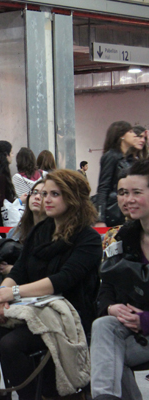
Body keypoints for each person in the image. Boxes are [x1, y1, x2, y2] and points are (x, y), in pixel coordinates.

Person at [0, 169, 102, 400]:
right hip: (31, 309)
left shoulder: (88, 237)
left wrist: (13, 293)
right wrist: (1, 295)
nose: (46, 199)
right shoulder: (41, 230)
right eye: (44, 193)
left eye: (55, 194)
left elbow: (63, 279)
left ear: (73, 198)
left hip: (68, 315)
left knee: (11, 344)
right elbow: (19, 270)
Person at [91, 159, 149, 400]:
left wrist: (145, 320)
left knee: (109, 356)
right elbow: (107, 285)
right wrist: (111, 308)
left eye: (137, 192)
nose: (128, 199)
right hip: (137, 334)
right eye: (123, 193)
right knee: (103, 326)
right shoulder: (123, 236)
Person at [96, 121, 143, 227]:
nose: (134, 135)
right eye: (130, 132)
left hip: (128, 209)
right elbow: (103, 187)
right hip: (115, 210)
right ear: (121, 136)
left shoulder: (130, 159)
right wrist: (100, 218)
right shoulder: (111, 156)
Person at [8, 179, 46, 244]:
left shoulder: (54, 234)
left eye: (44, 194)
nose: (37, 197)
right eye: (35, 192)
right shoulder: (15, 232)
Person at [0, 140, 17, 225]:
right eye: (11, 153)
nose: (13, 156)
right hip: (1, 220)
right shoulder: (1, 176)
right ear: (6, 155)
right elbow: (1, 200)